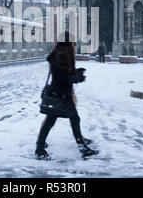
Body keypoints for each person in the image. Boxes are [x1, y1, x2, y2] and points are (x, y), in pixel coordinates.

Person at [36, 32, 98, 160]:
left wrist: (77, 72)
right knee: (72, 119)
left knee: (55, 120)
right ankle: (81, 148)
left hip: (59, 93)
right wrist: (78, 77)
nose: (75, 45)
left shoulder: (61, 54)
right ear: (68, 43)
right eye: (73, 42)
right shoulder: (61, 56)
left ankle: (40, 147)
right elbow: (63, 77)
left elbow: (65, 73)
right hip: (60, 95)